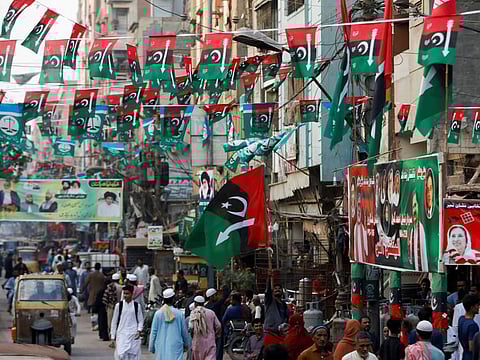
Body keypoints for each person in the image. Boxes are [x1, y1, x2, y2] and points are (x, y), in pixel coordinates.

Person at [149, 288, 191, 360]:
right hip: (175, 345)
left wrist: (151, 347)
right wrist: (187, 344)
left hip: (161, 345)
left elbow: (153, 332)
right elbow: (184, 331)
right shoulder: (179, 313)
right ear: (173, 299)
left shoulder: (158, 313)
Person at [111, 285, 144, 360]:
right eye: (124, 293)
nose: (125, 295)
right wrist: (113, 336)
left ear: (132, 294)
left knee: (133, 355)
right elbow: (114, 321)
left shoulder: (136, 306)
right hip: (121, 334)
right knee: (121, 355)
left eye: (127, 293)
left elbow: (140, 320)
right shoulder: (119, 306)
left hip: (133, 335)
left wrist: (139, 330)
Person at [189, 295, 221, 360]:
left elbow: (190, 327)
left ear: (195, 303)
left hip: (197, 342)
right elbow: (218, 326)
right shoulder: (211, 312)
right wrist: (216, 334)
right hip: (210, 342)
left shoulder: (193, 313)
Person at [206, 285, 231, 360]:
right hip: (218, 330)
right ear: (211, 297)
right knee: (219, 347)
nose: (217, 296)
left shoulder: (207, 306)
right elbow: (225, 296)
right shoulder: (216, 305)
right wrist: (224, 288)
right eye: (215, 295)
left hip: (209, 330)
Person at [408, 192, 428, 272]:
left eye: (415, 205)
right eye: (412, 207)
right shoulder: (412, 230)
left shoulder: (423, 229)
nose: (414, 210)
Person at [459, 294, 480, 360]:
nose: (478, 307)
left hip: (465, 355)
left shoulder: (461, 319)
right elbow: (472, 347)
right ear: (472, 307)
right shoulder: (472, 325)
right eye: (477, 305)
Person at [103, 275, 120, 346]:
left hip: (111, 307)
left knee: (110, 323)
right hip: (120, 307)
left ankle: (112, 340)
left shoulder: (109, 287)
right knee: (118, 323)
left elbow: (105, 299)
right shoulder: (121, 287)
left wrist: (107, 306)